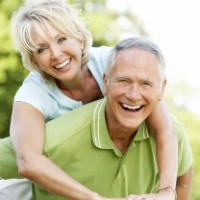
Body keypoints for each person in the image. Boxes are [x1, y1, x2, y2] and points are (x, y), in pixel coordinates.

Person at [0, 0, 177, 199]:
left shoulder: (114, 63)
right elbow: (28, 162)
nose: (56, 54)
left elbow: (164, 129)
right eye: (41, 49)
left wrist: (167, 192)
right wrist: (93, 198)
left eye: (61, 39)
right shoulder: (32, 93)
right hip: (48, 177)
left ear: (80, 39)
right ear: (34, 60)